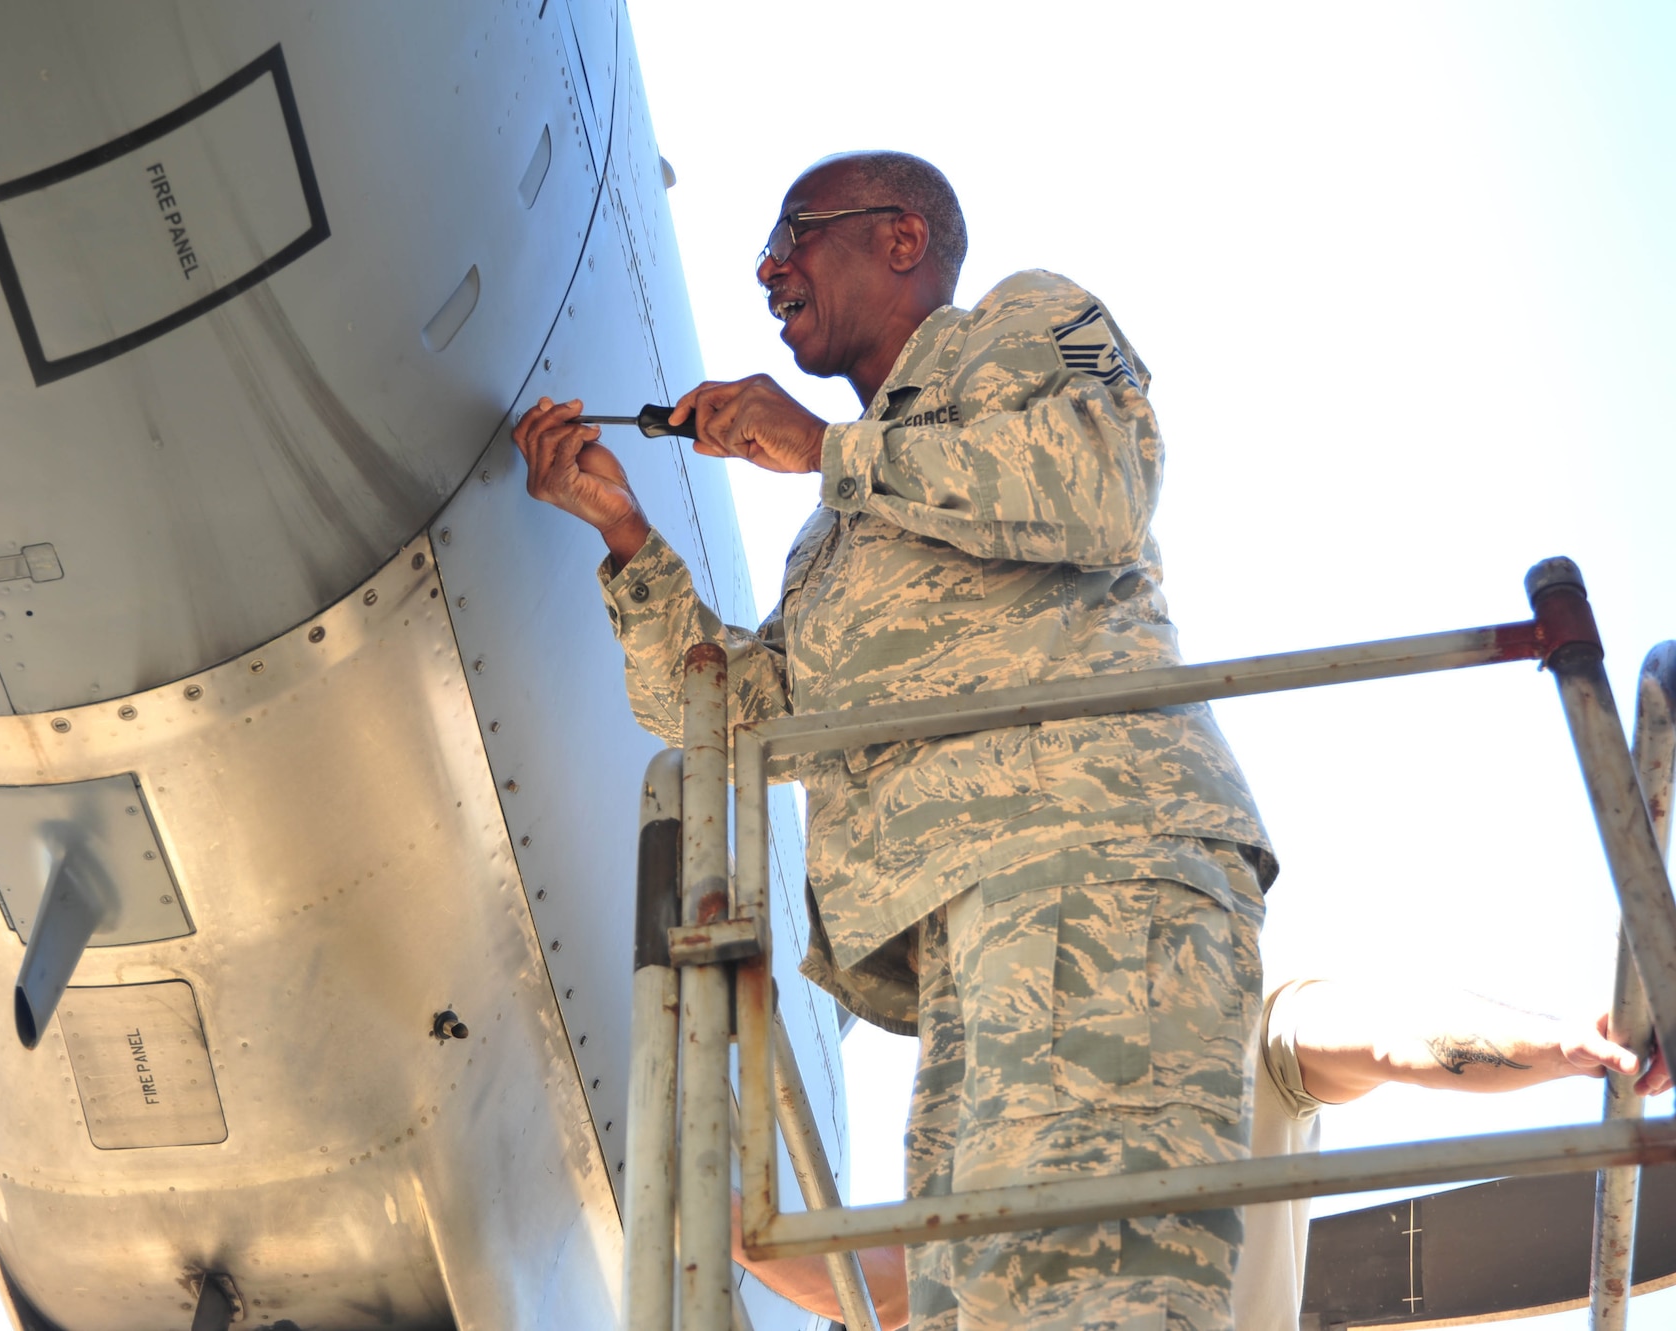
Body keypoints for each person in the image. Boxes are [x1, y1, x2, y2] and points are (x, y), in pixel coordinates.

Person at [514, 150, 1275, 1330]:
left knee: (1090, 1290)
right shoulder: (832, 544)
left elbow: (1097, 486)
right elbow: (738, 718)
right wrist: (622, 533)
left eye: (797, 234)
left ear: (901, 240)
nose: (767, 268)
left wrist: (828, 447)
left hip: (1091, 865)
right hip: (961, 945)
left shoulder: (1018, 326)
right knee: (977, 1299)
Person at [729, 979, 1670, 1329]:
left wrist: (1558, 1047)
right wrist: (719, 1219)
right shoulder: (1013, 1121)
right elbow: (890, 1286)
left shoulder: (1245, 1019)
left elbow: (1391, 1036)